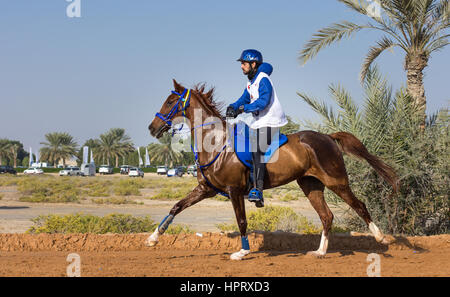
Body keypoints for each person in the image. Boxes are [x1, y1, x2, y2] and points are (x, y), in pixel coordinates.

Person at [226, 49, 287, 207]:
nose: (241, 66)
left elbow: (264, 102)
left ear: (253, 64)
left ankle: (258, 190)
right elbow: (243, 99)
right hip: (259, 121)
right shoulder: (250, 82)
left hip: (271, 121)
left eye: (244, 64)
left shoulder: (263, 79)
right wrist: (233, 106)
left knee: (257, 150)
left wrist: (243, 109)